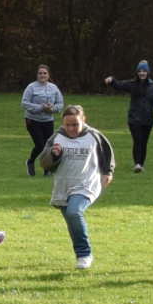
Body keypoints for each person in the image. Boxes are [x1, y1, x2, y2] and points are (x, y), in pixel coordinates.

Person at [41, 103, 113, 269]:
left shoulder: (94, 136)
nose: (71, 128)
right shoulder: (56, 138)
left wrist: (108, 172)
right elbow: (44, 164)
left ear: (83, 120)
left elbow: (107, 155)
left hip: (87, 183)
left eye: (75, 124)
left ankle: (85, 254)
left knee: (74, 211)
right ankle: (80, 254)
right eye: (68, 125)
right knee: (72, 221)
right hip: (64, 185)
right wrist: (53, 154)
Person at [102, 61, 153, 171]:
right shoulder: (132, 84)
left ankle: (141, 164)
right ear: (137, 72)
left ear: (148, 72)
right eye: (140, 71)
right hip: (134, 119)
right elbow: (119, 85)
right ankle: (137, 164)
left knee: (144, 142)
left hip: (148, 119)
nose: (142, 73)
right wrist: (111, 80)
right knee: (137, 140)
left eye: (144, 71)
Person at [18, 66, 63, 174]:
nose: (42, 75)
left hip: (48, 121)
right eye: (40, 73)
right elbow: (24, 103)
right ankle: (30, 161)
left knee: (48, 146)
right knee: (40, 145)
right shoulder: (31, 87)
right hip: (33, 120)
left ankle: (47, 168)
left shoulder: (54, 88)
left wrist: (52, 109)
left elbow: (60, 104)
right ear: (37, 75)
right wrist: (41, 107)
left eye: (44, 73)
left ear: (48, 75)